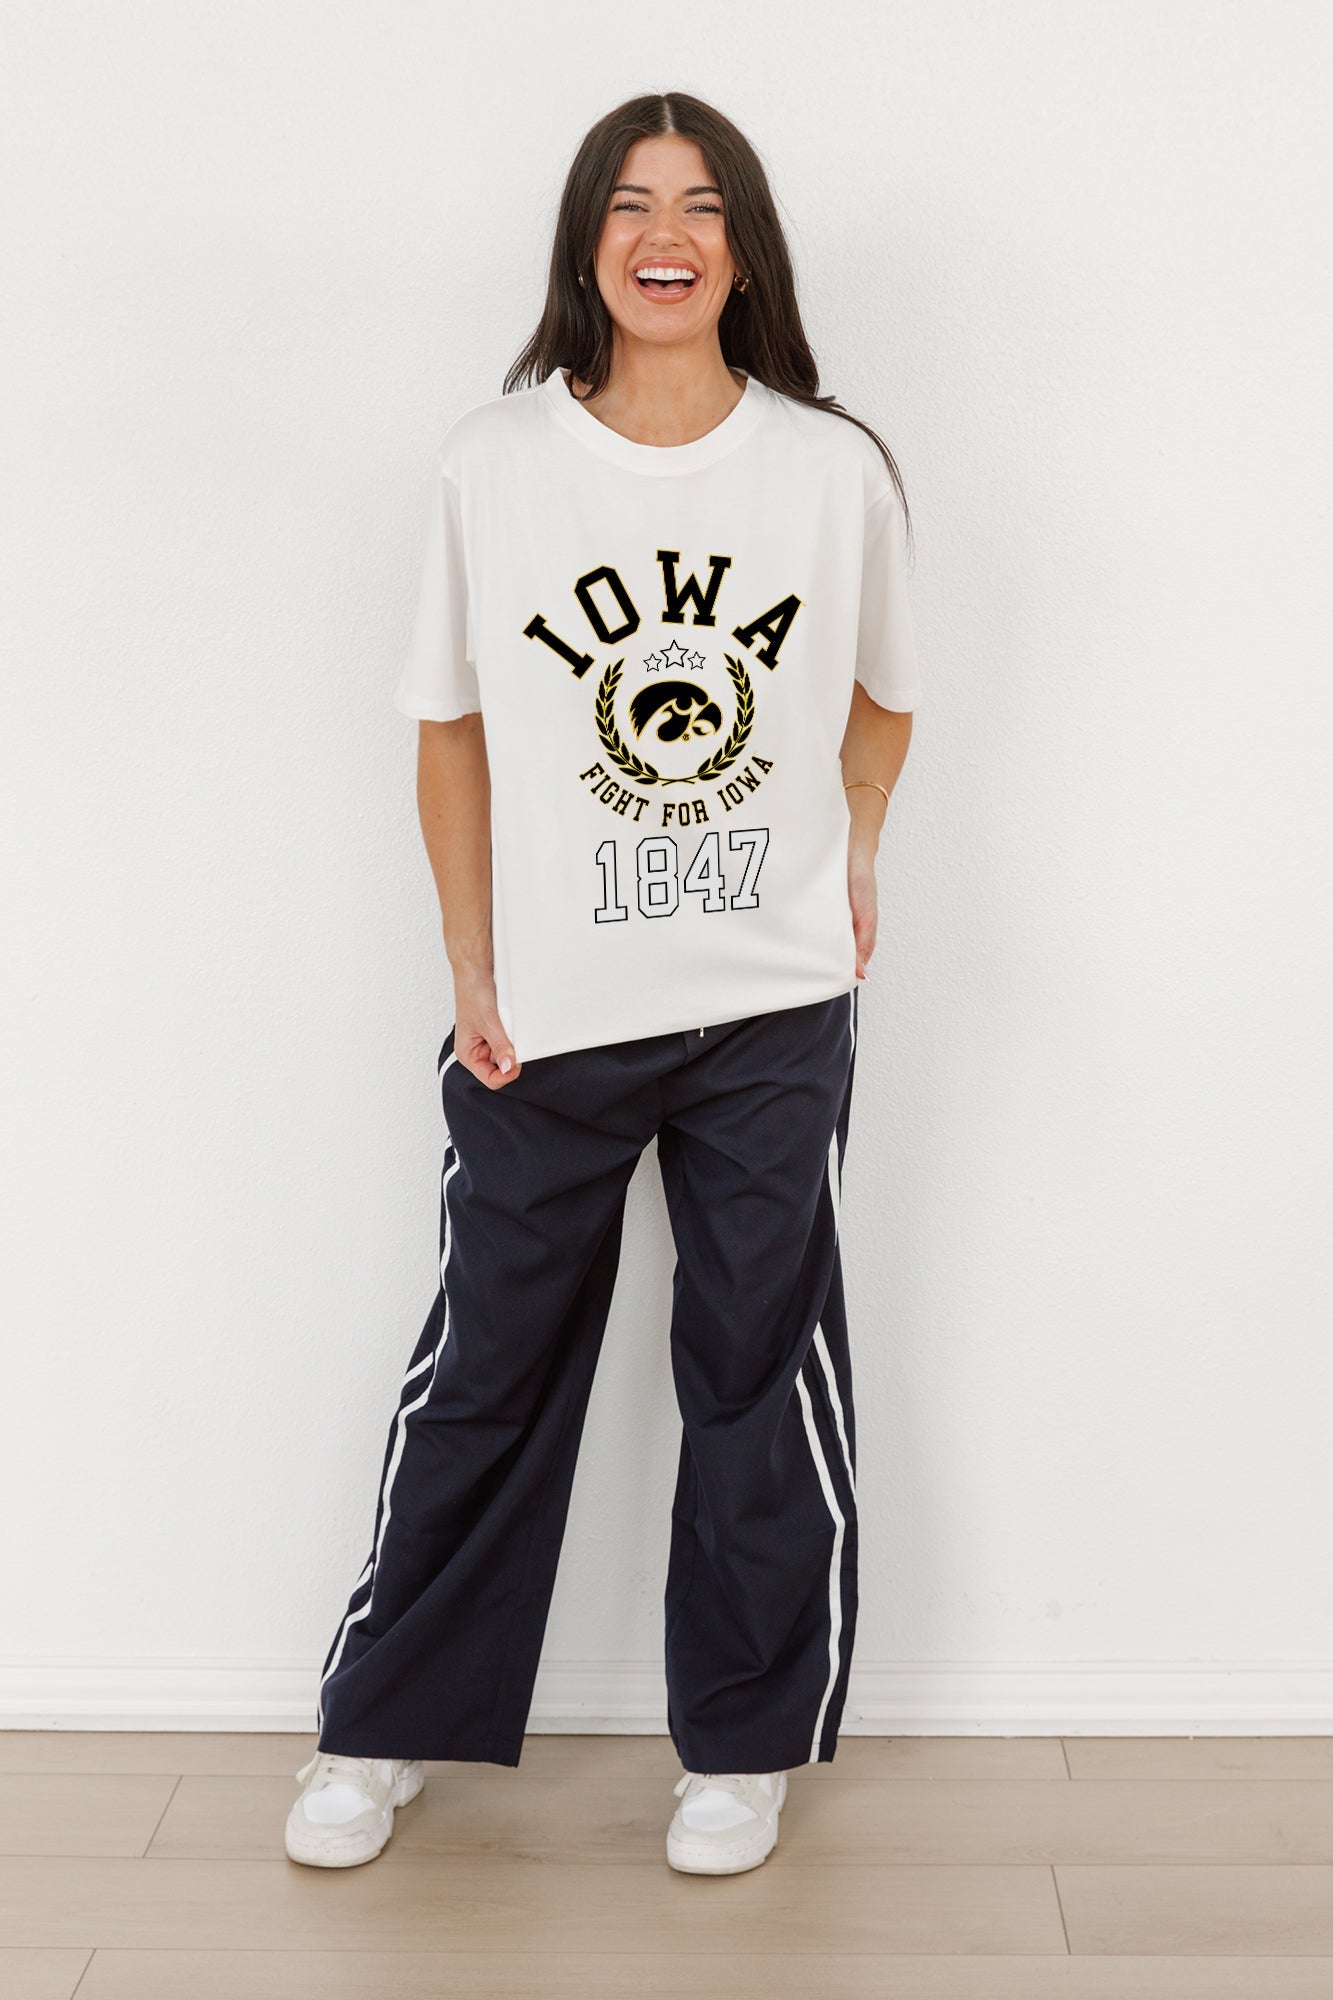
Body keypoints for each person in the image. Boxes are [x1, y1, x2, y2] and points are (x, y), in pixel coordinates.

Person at [285, 89, 920, 1879]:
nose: (667, 234)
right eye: (633, 203)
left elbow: (882, 690)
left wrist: (856, 850)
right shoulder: (494, 460)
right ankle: (384, 1723)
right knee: (488, 1360)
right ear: (586, 243)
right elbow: (450, 727)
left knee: (757, 1363)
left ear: (744, 251)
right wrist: (472, 962)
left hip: (771, 1000)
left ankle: (742, 1748)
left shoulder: (829, 469)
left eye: (703, 206)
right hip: (548, 1006)